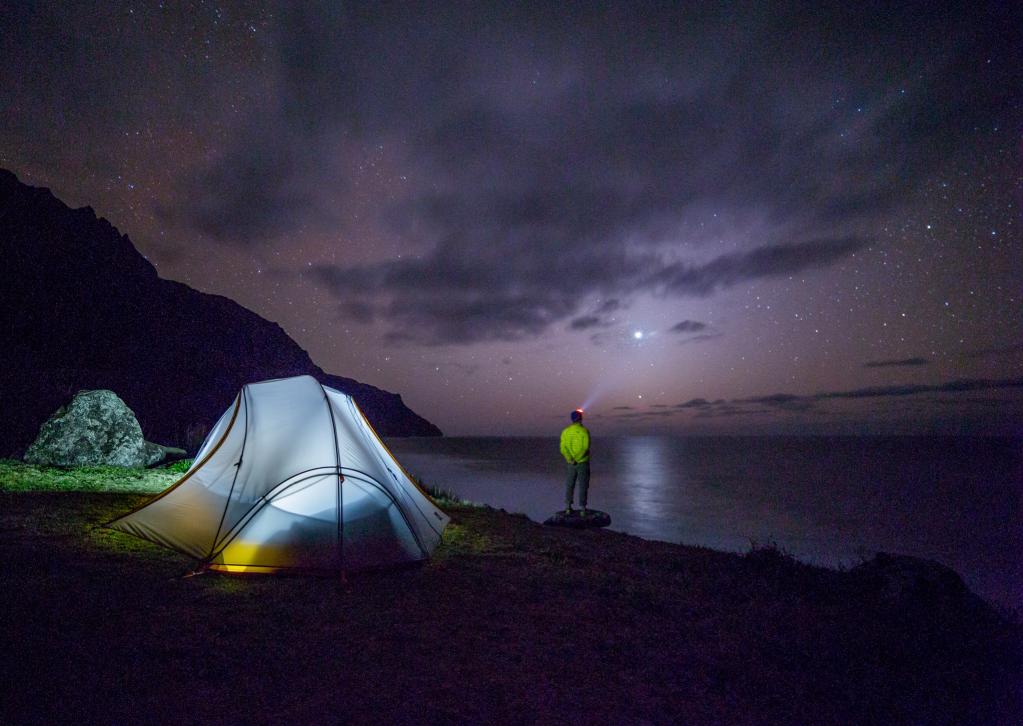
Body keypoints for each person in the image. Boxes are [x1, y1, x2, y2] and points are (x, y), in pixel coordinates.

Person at [559, 408, 590, 515]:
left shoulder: (565, 432)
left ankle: (568, 507)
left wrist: (570, 459)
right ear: (580, 419)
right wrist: (577, 459)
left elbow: (563, 448)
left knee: (570, 484)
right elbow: (585, 447)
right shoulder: (584, 431)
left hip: (570, 463)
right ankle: (582, 509)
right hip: (582, 462)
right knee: (583, 485)